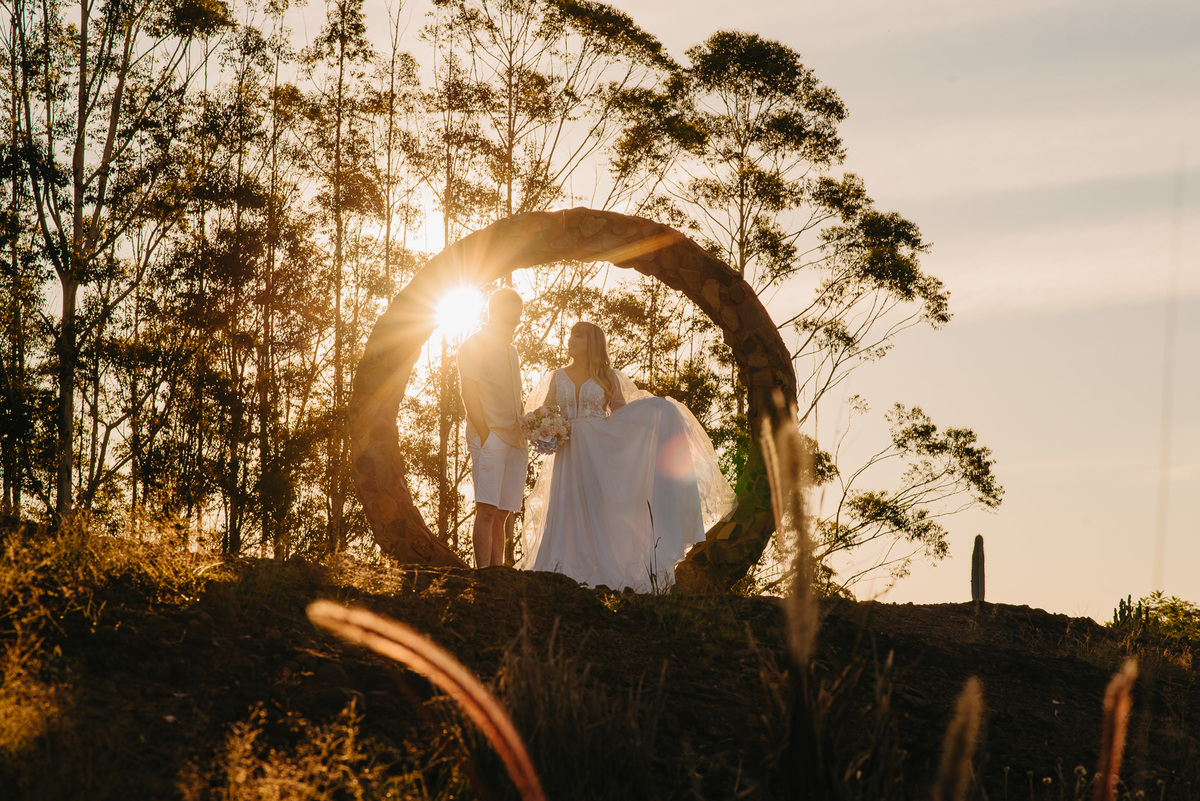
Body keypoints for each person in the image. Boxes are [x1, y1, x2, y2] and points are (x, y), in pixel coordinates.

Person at [519, 321, 734, 591]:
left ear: (592, 343)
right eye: (571, 335)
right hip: (568, 448)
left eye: (578, 336)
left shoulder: (607, 376)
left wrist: (654, 412)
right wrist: (543, 425)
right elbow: (547, 408)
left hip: (598, 448)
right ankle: (559, 566)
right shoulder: (558, 376)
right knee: (566, 503)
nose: (571, 340)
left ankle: (601, 567)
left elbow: (621, 413)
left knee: (597, 505)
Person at [458, 288, 528, 568]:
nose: (516, 320)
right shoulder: (474, 344)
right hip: (490, 437)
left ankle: (497, 574)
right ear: (494, 311)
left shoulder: (512, 350)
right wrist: (485, 435)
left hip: (516, 441)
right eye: (511, 314)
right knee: (486, 510)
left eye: (518, 315)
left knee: (502, 515)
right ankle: (483, 575)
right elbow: (469, 392)